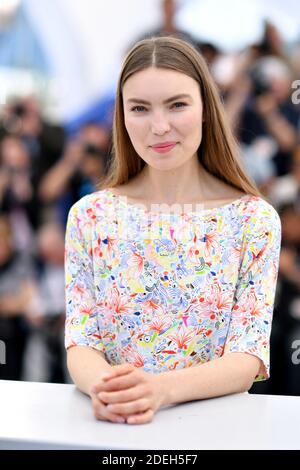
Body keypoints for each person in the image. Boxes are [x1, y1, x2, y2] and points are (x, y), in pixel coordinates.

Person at [64, 36, 282, 425]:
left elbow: (247, 356)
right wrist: (113, 393)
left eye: (177, 104)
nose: (159, 126)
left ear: (204, 110)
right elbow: (82, 341)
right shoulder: (90, 217)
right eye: (140, 108)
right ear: (122, 116)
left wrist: (160, 391)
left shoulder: (254, 221)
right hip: (115, 429)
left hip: (216, 434)